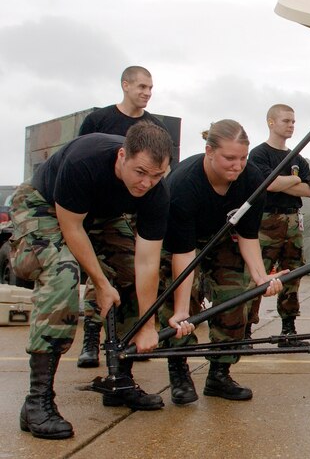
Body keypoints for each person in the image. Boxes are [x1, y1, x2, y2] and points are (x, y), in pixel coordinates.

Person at [11, 123, 173, 439]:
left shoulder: (156, 190)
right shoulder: (84, 161)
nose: (146, 183)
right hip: (44, 203)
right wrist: (100, 284)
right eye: (140, 172)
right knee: (63, 274)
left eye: (157, 176)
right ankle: (37, 401)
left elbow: (147, 261)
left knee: (127, 273)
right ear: (122, 155)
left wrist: (148, 323)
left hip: (102, 215)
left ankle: (119, 380)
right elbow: (72, 229)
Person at [159, 120, 285, 405]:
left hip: (222, 238)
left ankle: (219, 373)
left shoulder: (252, 180)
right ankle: (178, 369)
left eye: (242, 157)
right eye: (230, 158)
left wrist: (261, 277)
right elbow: (184, 254)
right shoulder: (183, 184)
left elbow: (248, 235)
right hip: (180, 243)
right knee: (181, 303)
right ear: (209, 152)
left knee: (234, 298)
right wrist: (181, 310)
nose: (237, 165)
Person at [76, 65, 171, 369]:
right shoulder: (99, 120)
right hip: (87, 208)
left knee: (129, 269)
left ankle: (118, 341)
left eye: (151, 88)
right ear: (125, 85)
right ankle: (90, 339)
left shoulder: (154, 127)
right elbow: (82, 158)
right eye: (142, 86)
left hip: (125, 211)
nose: (147, 93)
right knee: (97, 275)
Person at [245, 105, 310, 346]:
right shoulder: (259, 154)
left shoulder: (298, 158)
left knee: (292, 274)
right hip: (266, 220)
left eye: (293, 121)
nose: (291, 125)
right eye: (286, 121)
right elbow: (268, 185)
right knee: (257, 275)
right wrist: (293, 180)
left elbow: (308, 190)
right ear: (271, 122)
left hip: (293, 220)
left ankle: (288, 330)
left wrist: (284, 180)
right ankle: (244, 331)